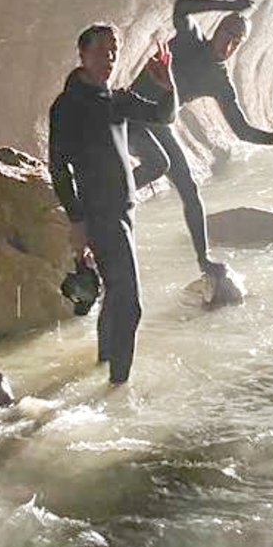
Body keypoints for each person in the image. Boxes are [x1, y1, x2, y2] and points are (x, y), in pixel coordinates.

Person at [128, 0, 273, 277]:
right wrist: (230, 6)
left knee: (190, 189)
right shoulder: (191, 39)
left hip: (158, 124)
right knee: (157, 165)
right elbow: (181, 8)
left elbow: (242, 130)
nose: (228, 44)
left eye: (237, 42)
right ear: (217, 30)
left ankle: (204, 261)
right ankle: (111, 197)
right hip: (128, 111)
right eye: (227, 34)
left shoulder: (220, 81)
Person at [49, 23, 178, 384]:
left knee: (115, 295)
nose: (109, 57)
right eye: (101, 50)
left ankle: (105, 364)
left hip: (123, 211)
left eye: (114, 51)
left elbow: (164, 115)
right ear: (82, 54)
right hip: (99, 215)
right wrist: (77, 220)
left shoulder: (115, 99)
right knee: (130, 305)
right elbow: (58, 168)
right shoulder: (67, 105)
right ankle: (118, 387)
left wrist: (168, 84)